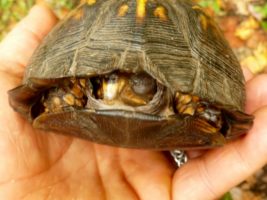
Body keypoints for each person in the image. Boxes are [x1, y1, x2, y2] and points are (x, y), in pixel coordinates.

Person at [0, 4, 266, 200]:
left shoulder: (183, 93)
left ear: (158, 88)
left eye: (136, 82)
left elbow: (217, 113)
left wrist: (201, 106)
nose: (117, 87)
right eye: (105, 79)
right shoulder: (77, 85)